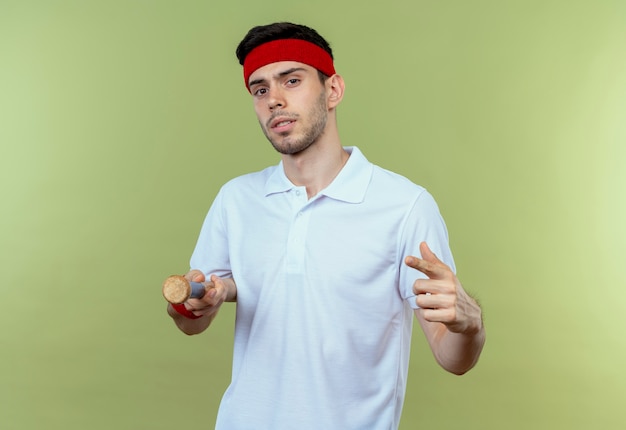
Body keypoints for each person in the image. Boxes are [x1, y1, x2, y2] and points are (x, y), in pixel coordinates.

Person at [166, 22, 485, 429]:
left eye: (292, 80)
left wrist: (469, 324)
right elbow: (191, 321)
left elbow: (452, 358)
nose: (274, 100)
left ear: (333, 90)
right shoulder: (236, 199)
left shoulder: (405, 206)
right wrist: (188, 304)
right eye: (260, 89)